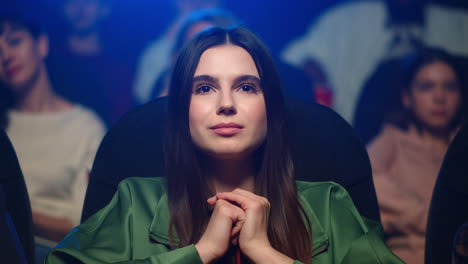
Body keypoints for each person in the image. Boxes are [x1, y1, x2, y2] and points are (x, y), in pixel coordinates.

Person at [46, 26, 403, 263]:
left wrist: (266, 253)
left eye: (247, 87)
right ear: (182, 112)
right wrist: (200, 253)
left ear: (272, 110)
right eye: (204, 88)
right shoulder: (132, 204)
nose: (227, 103)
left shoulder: (329, 204)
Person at [0, 14, 105, 244]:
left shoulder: (85, 126)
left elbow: (85, 223)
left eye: (15, 42)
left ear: (41, 45)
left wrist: (12, 210)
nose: (6, 56)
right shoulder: (3, 129)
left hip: (56, 252)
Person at [367, 48, 466, 264]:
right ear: (407, 97)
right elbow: (368, 181)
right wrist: (432, 218)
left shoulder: (462, 147)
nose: (439, 98)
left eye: (449, 87)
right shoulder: (392, 141)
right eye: (427, 87)